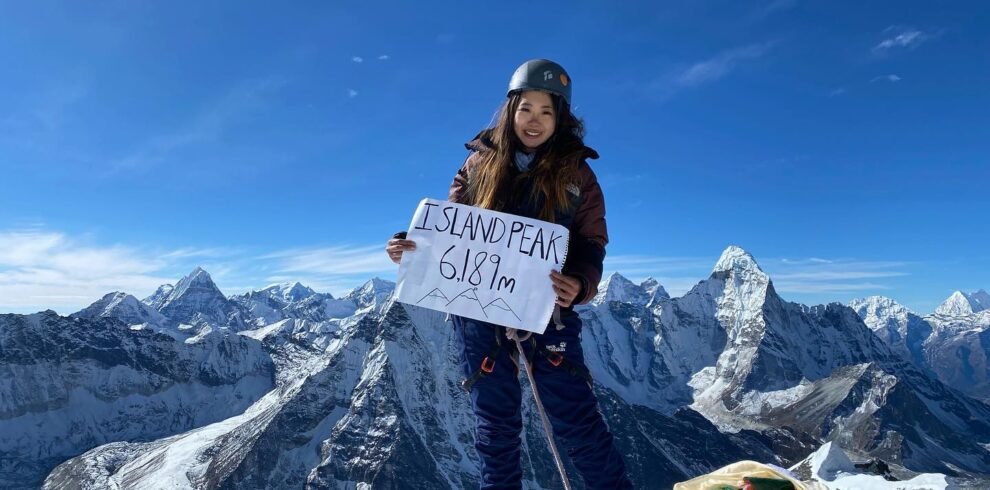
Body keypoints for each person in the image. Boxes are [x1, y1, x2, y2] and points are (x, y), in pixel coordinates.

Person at [386, 59, 632, 489]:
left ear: (561, 118)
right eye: (526, 109)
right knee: (494, 426)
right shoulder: (478, 165)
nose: (534, 121)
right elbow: (452, 230)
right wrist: (411, 247)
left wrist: (581, 283)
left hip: (546, 309)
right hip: (478, 312)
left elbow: (592, 242)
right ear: (510, 111)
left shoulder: (578, 174)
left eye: (546, 111)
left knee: (576, 420)